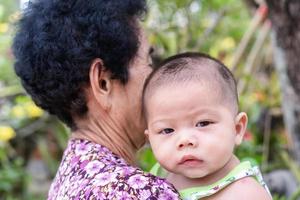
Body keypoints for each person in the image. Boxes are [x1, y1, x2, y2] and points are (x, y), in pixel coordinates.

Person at [12, 0, 181, 199]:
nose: (158, 79)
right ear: (102, 82)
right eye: (149, 63)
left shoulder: (70, 176)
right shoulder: (136, 190)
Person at [142, 52, 272, 199]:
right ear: (150, 140)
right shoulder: (159, 174)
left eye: (202, 123)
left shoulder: (245, 193)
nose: (185, 140)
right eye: (167, 130)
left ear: (237, 129)